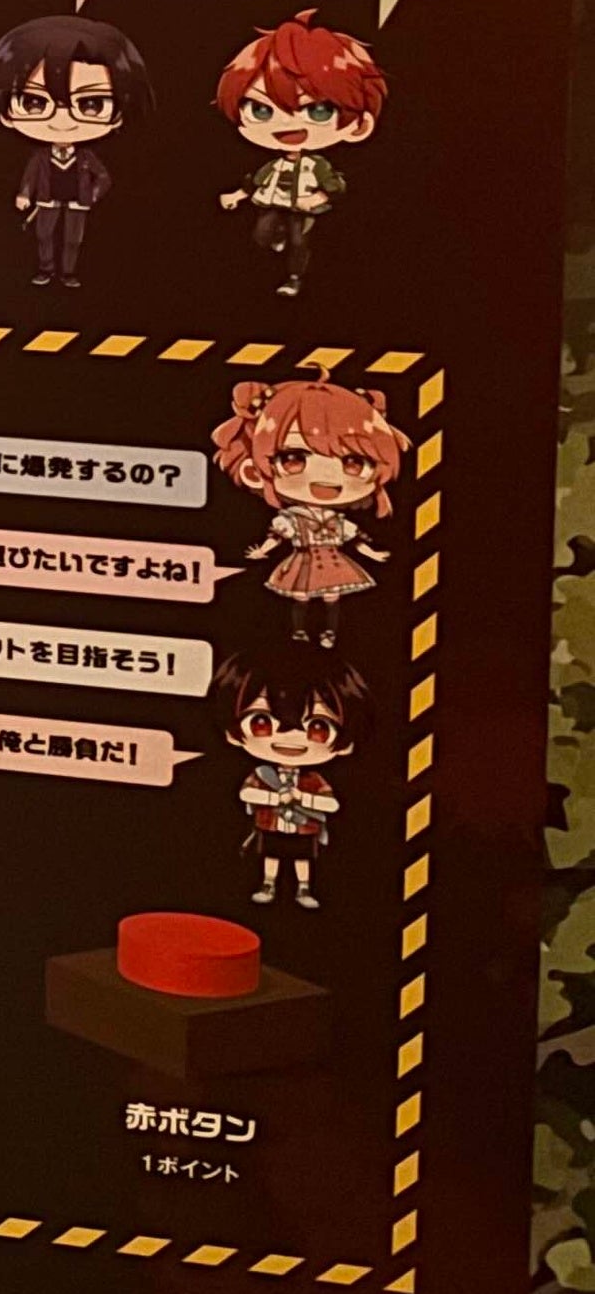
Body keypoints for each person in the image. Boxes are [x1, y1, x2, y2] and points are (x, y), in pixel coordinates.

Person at [212, 377, 404, 647]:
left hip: (334, 563)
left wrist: (373, 554)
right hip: (303, 562)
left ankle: (330, 633)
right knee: (300, 598)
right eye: (293, 458)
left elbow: (355, 539)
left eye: (354, 462)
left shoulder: (338, 520)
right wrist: (262, 551)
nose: (327, 478)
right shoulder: (291, 519)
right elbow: (277, 537)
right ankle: (299, 632)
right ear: (254, 470)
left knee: (331, 599)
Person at [212, 12, 384, 298]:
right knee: (261, 235)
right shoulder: (274, 165)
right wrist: (237, 196)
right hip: (272, 204)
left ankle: (293, 278)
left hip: (302, 210)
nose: (287, 125)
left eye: (318, 110)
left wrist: (319, 198)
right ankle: (275, 240)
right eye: (260, 110)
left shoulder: (317, 165)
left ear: (359, 126)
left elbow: (335, 184)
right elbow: (256, 181)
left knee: (299, 242)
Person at [0, 14, 146, 291]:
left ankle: (69, 272)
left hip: (76, 204)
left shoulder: (85, 158)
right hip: (46, 202)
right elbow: (30, 176)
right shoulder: (40, 157)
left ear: (118, 114)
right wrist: (25, 194)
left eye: (92, 104)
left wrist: (90, 196)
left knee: (73, 240)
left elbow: (104, 178)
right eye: (34, 102)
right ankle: (46, 269)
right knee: (44, 236)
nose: (62, 121)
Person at [217, 643, 359, 913]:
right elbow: (246, 793)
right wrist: (275, 798)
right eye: (261, 722)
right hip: (271, 826)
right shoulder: (263, 774)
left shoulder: (312, 779)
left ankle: (303, 888)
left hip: (303, 829)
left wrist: (301, 797)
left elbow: (332, 804)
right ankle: (268, 884)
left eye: (318, 726)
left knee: (302, 859)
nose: (291, 736)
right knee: (270, 855)